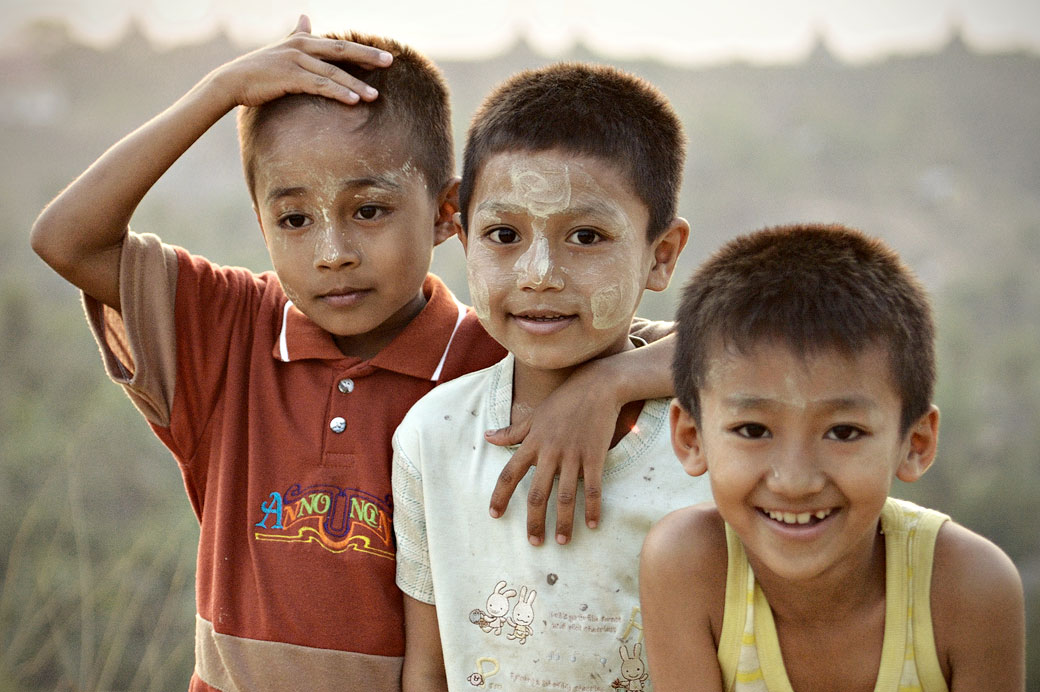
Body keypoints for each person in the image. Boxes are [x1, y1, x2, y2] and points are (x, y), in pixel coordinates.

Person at [30, 18, 674, 691]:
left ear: (445, 213)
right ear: (260, 223)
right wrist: (220, 90)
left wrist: (607, 384)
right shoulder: (228, 331)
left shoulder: (499, 354)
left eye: (368, 210)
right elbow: (66, 240)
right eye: (294, 219)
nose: (332, 252)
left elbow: (725, 345)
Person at [391, 62, 713, 691]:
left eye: (586, 235)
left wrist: (607, 383)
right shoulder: (433, 439)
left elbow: (771, 338)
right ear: (460, 233)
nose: (539, 273)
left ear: (662, 255)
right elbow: (427, 668)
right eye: (504, 234)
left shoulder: (712, 445)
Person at [640, 223, 1025, 691]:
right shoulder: (692, 567)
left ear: (914, 444)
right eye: (753, 430)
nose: (795, 480)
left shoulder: (967, 589)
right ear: (691, 437)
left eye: (844, 432)